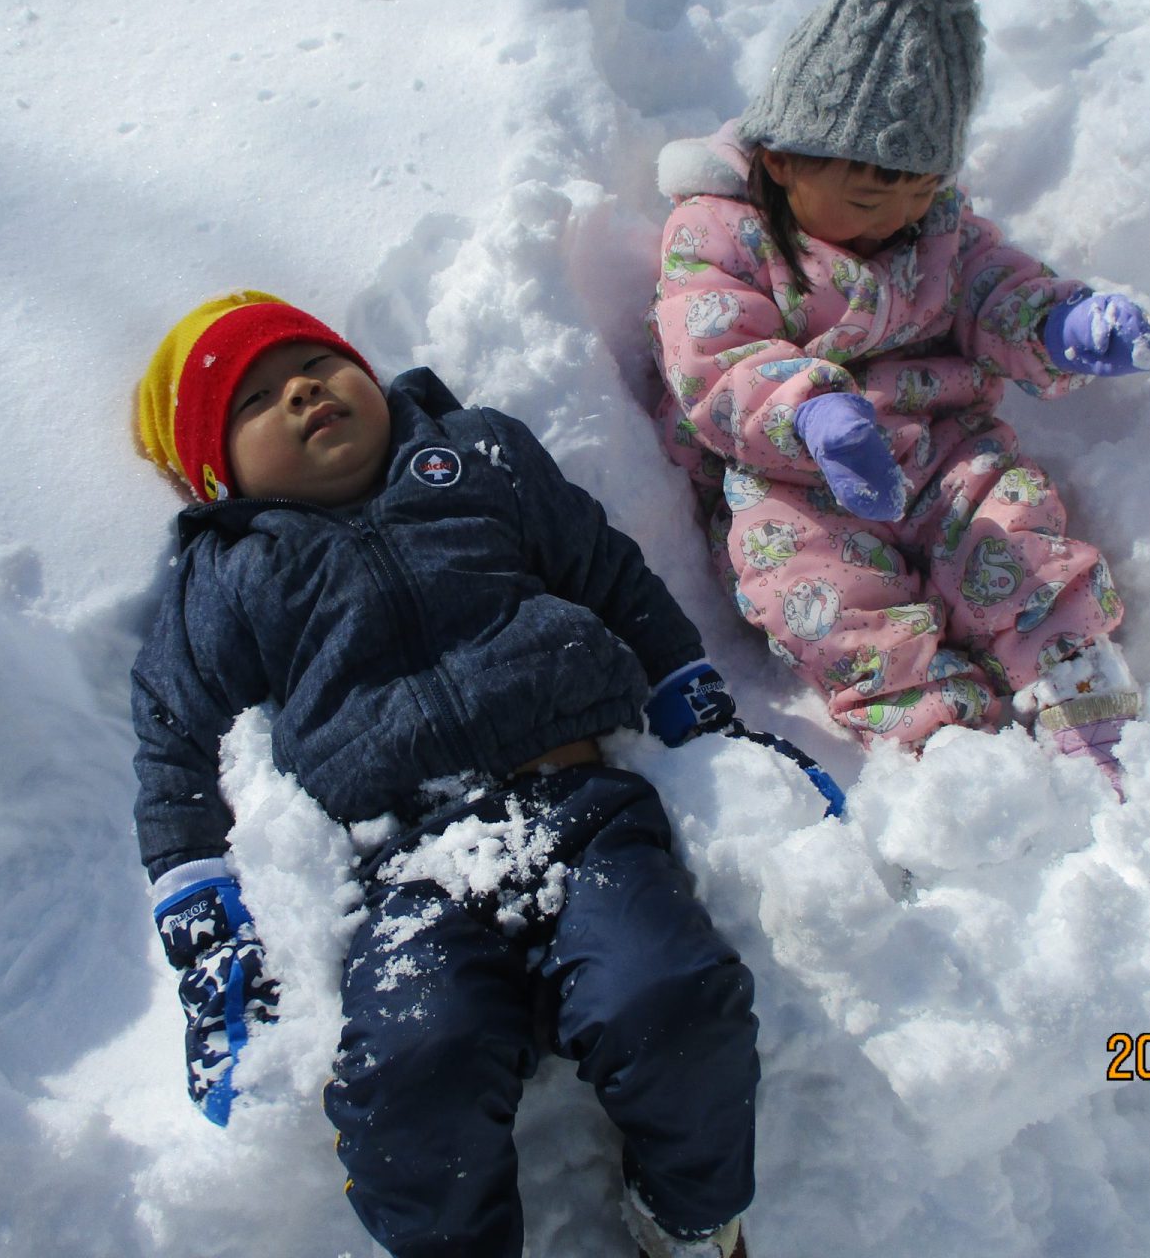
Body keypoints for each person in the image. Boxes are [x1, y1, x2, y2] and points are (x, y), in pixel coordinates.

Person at [129, 292, 764, 1258]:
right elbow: (174, 738)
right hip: (407, 872)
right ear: (220, 476)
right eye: (255, 400)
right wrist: (202, 916)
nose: (301, 391)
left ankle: (690, 1218)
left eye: (316, 363)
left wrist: (688, 691)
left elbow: (603, 570)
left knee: (671, 999)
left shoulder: (475, 453)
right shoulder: (225, 572)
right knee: (412, 1073)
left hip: (583, 811)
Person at [647, 0, 1150, 788]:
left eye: (920, 192)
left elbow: (991, 285)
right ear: (783, 157)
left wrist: (1059, 326)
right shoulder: (717, 233)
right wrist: (813, 414)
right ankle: (942, 735)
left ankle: (1079, 687)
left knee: (1017, 535)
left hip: (941, 447)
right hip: (793, 477)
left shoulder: (935, 227)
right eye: (867, 197)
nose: (895, 217)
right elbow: (714, 359)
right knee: (823, 598)